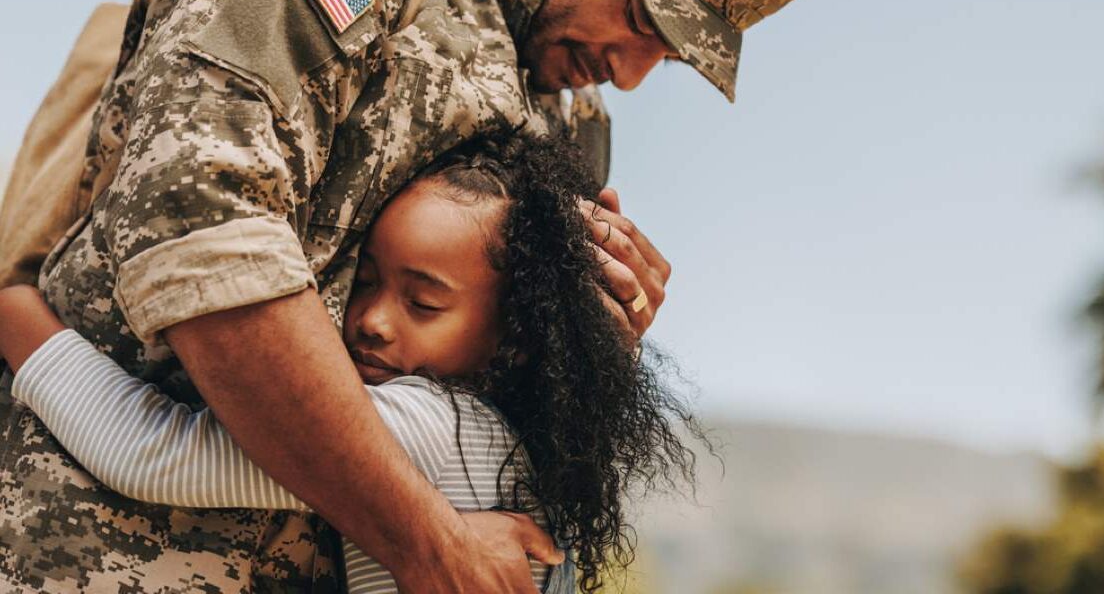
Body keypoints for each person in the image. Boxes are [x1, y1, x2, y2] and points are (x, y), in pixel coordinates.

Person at [0, 0, 809, 591]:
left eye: (664, 56)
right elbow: (205, 246)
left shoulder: (572, 123)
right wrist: (427, 543)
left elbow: (488, 421)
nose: (630, 73)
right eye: (638, 15)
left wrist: (599, 338)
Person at [0, 130, 704, 594]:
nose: (371, 319)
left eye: (423, 304)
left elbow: (151, 452)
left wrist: (15, 310)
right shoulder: (524, 444)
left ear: (512, 339)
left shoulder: (431, 426)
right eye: (364, 280)